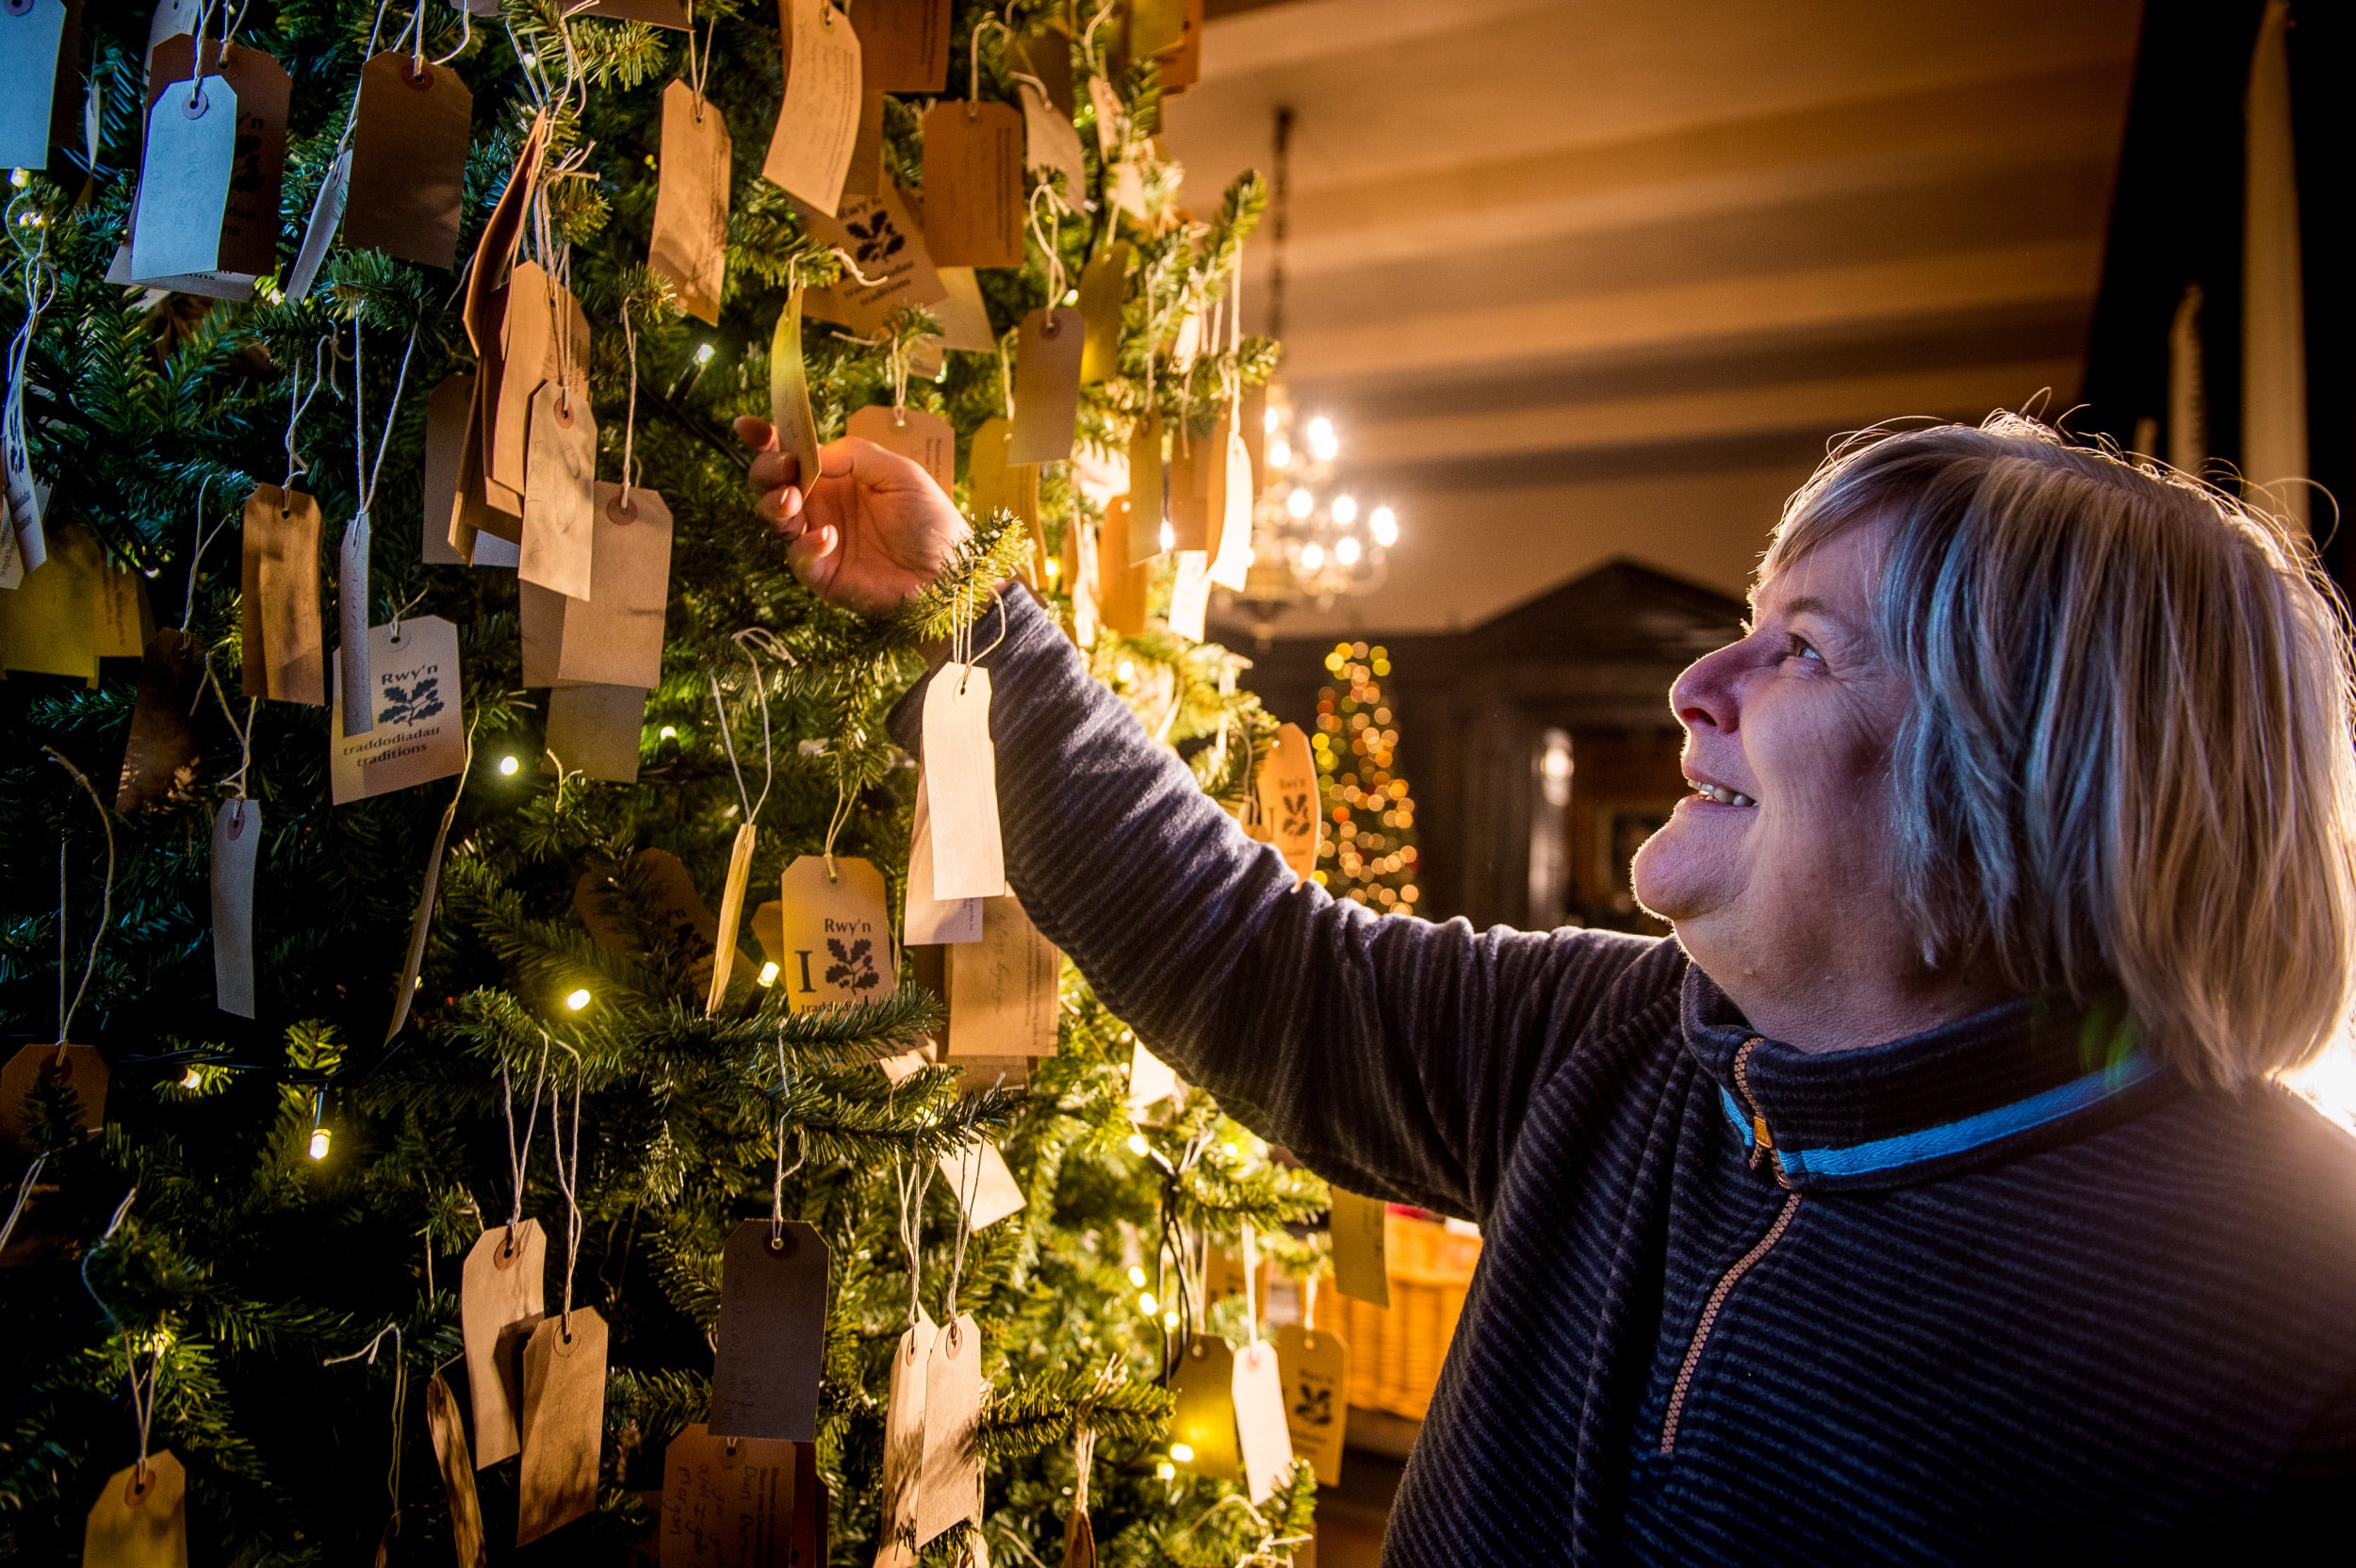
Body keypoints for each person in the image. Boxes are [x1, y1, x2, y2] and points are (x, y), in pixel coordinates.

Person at [735, 412, 2356, 1562]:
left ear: (2032, 762)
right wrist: (973, 621)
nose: (1697, 686)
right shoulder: (1625, 1043)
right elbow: (1260, 960)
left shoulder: (2298, 1319)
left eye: (1798, 647)